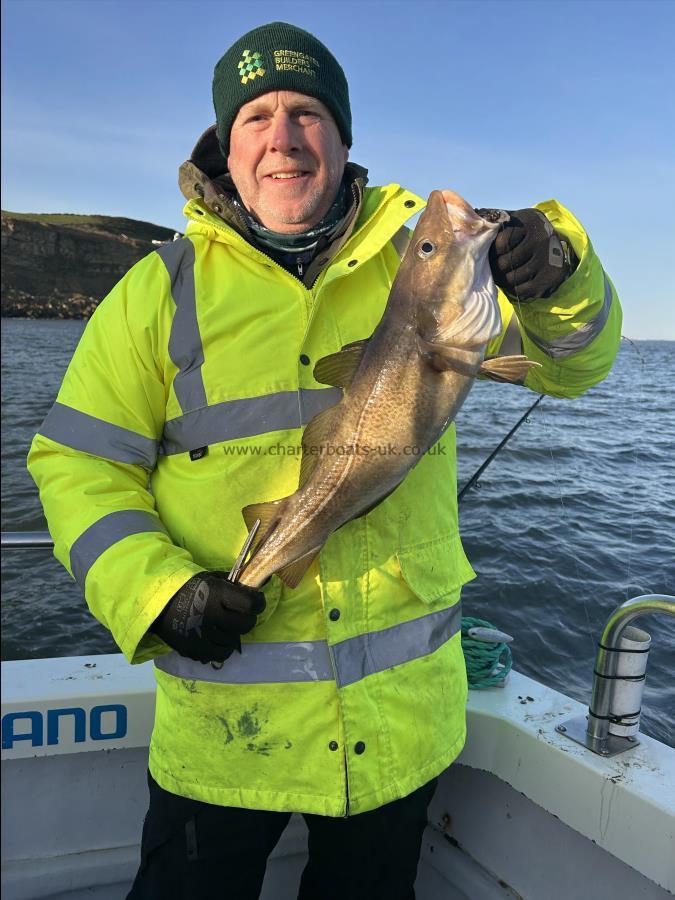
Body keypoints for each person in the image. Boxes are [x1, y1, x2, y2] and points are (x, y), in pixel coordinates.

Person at [27, 20, 622, 900]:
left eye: (306, 111)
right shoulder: (157, 289)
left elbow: (576, 369)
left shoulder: (418, 265)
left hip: (394, 733)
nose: (282, 135)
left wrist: (561, 269)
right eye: (255, 117)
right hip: (221, 728)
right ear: (225, 149)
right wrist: (159, 594)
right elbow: (76, 466)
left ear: (343, 139)